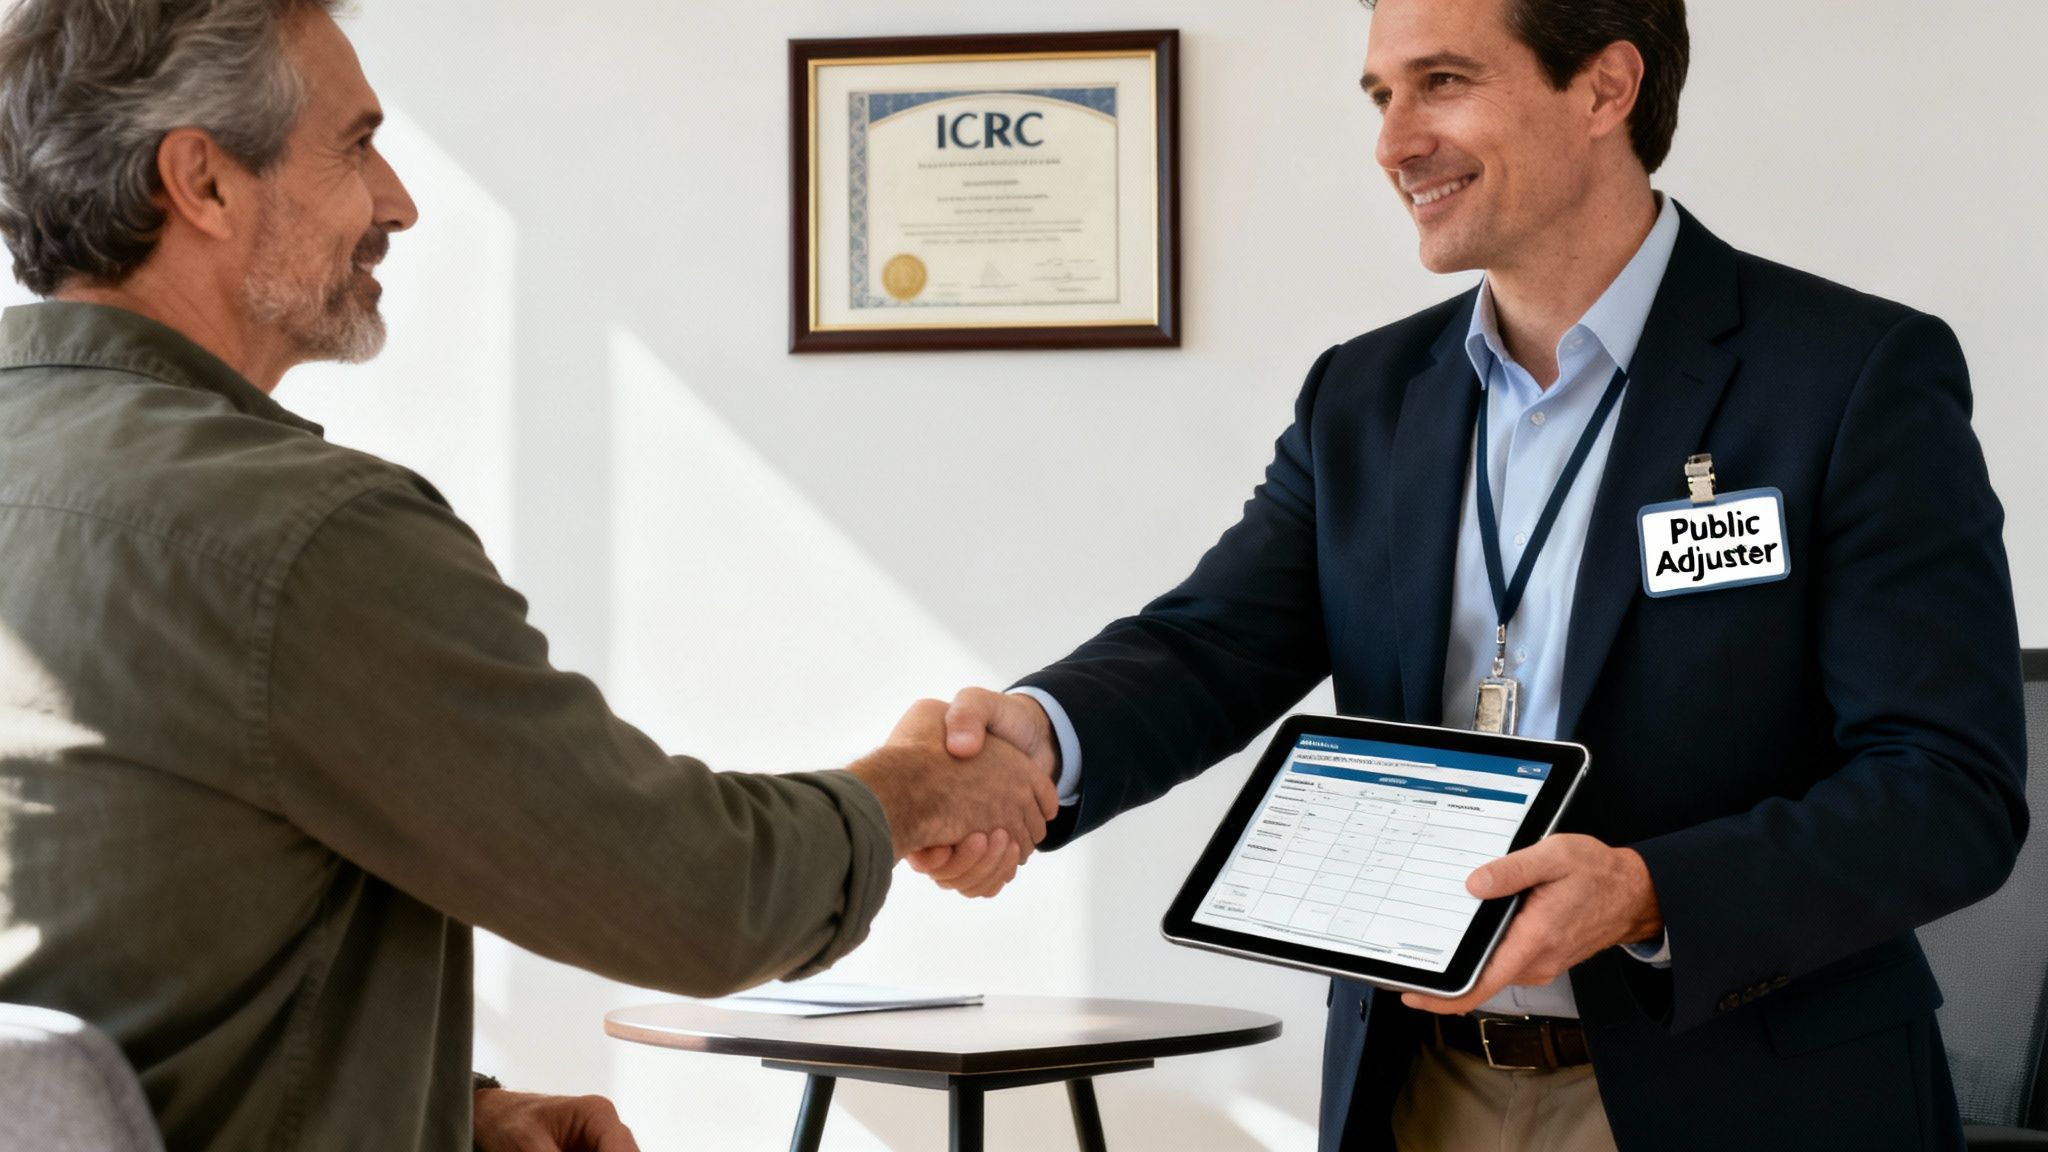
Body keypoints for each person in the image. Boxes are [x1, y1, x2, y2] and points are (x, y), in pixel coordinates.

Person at [922, 0, 2029, 1148]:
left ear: (1603, 90)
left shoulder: (1846, 378)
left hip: (1735, 1092)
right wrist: (1030, 741)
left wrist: (1646, 890)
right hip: (1419, 1082)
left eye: (1441, 81)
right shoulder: (1362, 396)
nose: (1392, 143)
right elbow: (1208, 645)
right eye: (1378, 96)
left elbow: (1947, 787)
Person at [0, 3, 1056, 1151]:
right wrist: (910, 788)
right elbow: (692, 899)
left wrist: (454, 1114)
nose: (397, 200)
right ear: (202, 181)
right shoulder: (301, 536)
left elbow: (95, 948)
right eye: (355, 146)